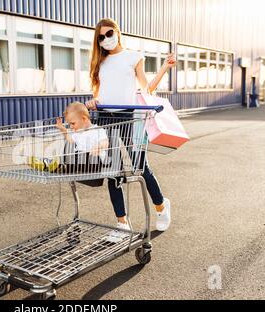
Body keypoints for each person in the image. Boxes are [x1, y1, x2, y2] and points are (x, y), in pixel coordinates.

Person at [85, 18, 176, 236]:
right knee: (113, 172)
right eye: (101, 37)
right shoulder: (100, 62)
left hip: (130, 118)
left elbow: (146, 90)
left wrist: (164, 68)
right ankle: (122, 223)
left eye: (109, 34)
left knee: (140, 166)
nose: (106, 39)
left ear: (117, 32)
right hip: (106, 118)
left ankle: (161, 206)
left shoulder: (133, 57)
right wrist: (93, 100)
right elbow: (101, 92)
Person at [56, 102, 109, 170]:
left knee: (86, 158)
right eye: (70, 124)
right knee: (73, 157)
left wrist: (99, 146)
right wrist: (63, 130)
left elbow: (105, 142)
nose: (71, 127)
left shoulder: (98, 130)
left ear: (84, 119)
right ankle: (59, 166)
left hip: (95, 161)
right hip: (81, 160)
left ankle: (64, 167)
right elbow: (70, 140)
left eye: (73, 123)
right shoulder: (78, 132)